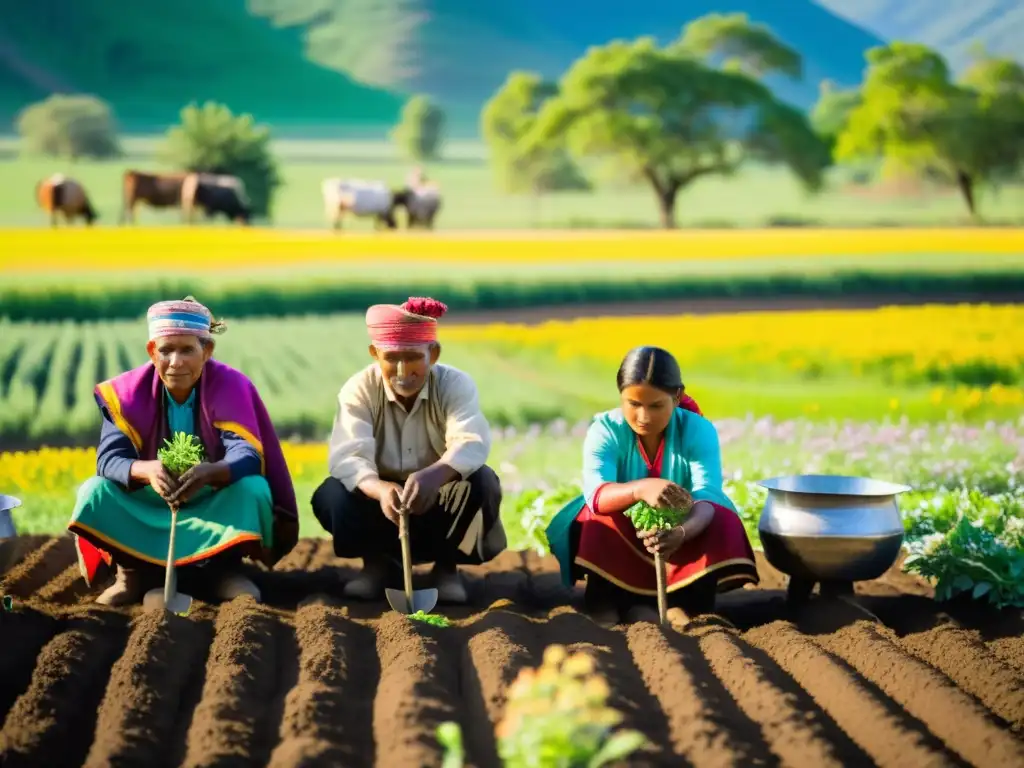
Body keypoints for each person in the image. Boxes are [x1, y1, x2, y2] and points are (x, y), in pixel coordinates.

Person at [68, 297, 299, 606]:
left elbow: (247, 453)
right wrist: (146, 470)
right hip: (150, 499)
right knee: (94, 491)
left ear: (207, 351)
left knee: (253, 488)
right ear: (152, 352)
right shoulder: (125, 394)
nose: (175, 361)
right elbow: (109, 460)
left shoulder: (230, 385)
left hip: (211, 497)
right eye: (166, 350)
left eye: (187, 350)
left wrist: (213, 472)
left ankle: (223, 571)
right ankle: (133, 574)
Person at [545, 346, 759, 626]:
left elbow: (708, 495)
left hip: (683, 531)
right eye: (633, 404)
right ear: (620, 397)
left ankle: (686, 606)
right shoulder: (605, 430)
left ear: (677, 397)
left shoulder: (698, 429)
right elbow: (597, 493)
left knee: (721, 516)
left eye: (656, 405)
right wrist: (639, 489)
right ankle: (607, 602)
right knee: (595, 516)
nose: (643, 417)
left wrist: (681, 533)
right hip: (624, 531)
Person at [311, 296, 505, 603]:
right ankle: (376, 565)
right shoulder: (358, 389)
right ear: (375, 354)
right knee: (332, 494)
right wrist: (379, 489)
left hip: (438, 493)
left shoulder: (455, 385)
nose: (403, 370)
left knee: (482, 483)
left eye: (413, 357)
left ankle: (446, 569)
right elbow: (348, 456)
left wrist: (435, 475)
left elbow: (471, 441)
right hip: (379, 500)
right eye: (391, 358)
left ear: (434, 353)